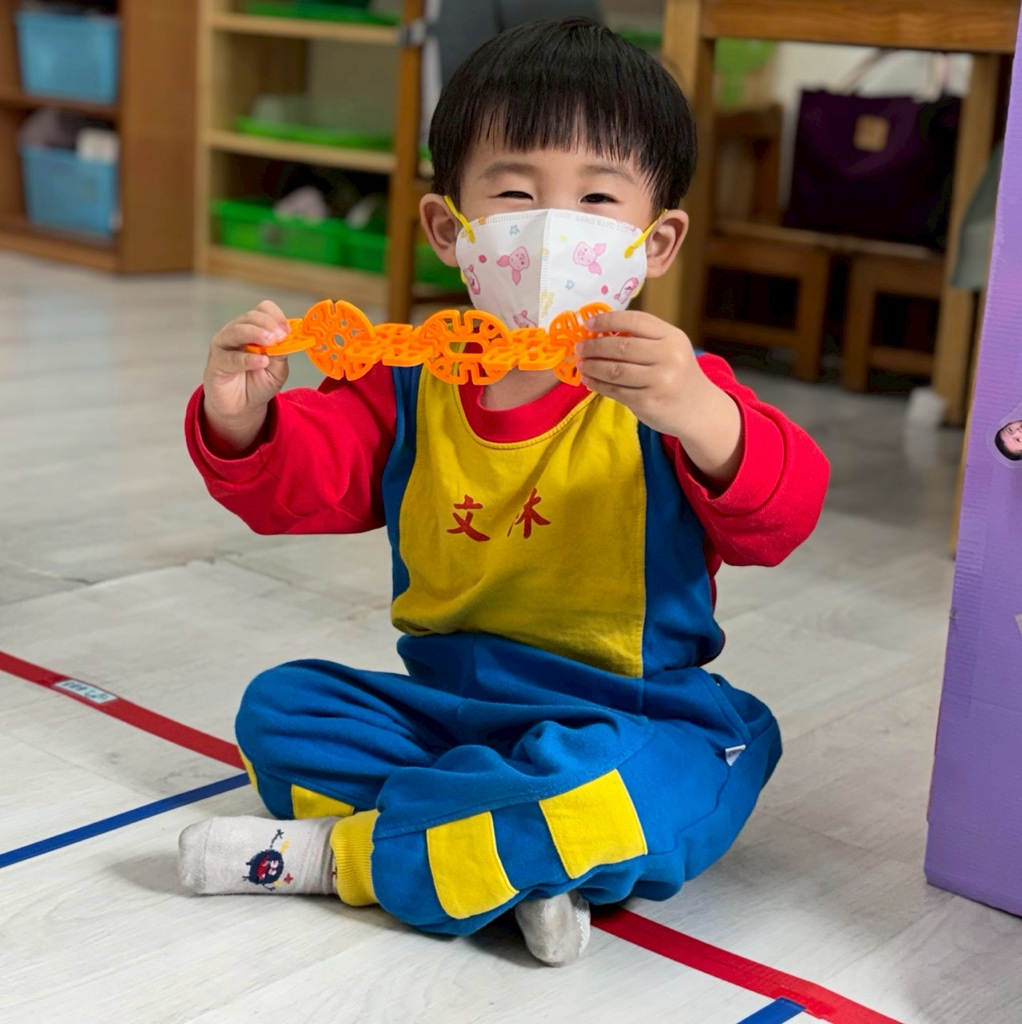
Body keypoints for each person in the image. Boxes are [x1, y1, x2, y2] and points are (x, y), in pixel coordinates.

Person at [178, 17, 830, 967]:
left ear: (656, 243)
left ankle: (347, 858)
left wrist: (702, 414)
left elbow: (783, 514)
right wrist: (241, 420)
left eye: (598, 197)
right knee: (282, 709)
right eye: (516, 193)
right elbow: (300, 483)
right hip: (451, 713)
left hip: (632, 715)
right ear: (451, 229)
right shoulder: (409, 380)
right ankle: (512, 851)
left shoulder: (674, 389)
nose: (555, 226)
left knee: (660, 776)